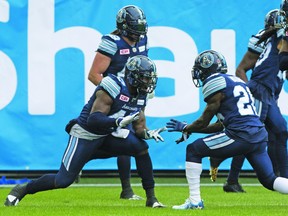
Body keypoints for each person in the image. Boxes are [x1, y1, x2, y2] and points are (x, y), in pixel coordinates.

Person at [4, 55, 166, 208]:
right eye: (144, 77)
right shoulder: (113, 86)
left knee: (141, 147)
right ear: (132, 76)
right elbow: (93, 120)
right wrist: (118, 121)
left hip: (107, 135)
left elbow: (139, 127)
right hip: (85, 134)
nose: (147, 82)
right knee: (63, 180)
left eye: (149, 78)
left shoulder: (142, 95)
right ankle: (22, 189)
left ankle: (151, 199)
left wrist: (147, 133)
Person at [166, 50, 288, 210]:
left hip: (241, 134)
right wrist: (190, 129)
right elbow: (218, 125)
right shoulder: (235, 80)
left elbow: (204, 121)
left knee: (193, 149)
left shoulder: (214, 82)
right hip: (258, 134)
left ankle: (195, 202)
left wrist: (186, 127)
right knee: (269, 180)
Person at [209, 8, 288, 193]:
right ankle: (232, 180)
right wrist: (246, 93)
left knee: (281, 131)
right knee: (250, 135)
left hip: (269, 94)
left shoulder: (277, 36)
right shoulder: (279, 36)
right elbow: (241, 69)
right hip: (259, 90)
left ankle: (283, 177)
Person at [80, 5, 150, 200]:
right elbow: (94, 75)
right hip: (112, 98)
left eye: (140, 27)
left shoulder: (143, 38)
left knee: (128, 138)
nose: (139, 32)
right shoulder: (112, 42)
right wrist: (116, 94)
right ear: (124, 26)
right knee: (107, 136)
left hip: (135, 95)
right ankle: (79, 160)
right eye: (135, 27)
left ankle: (126, 190)